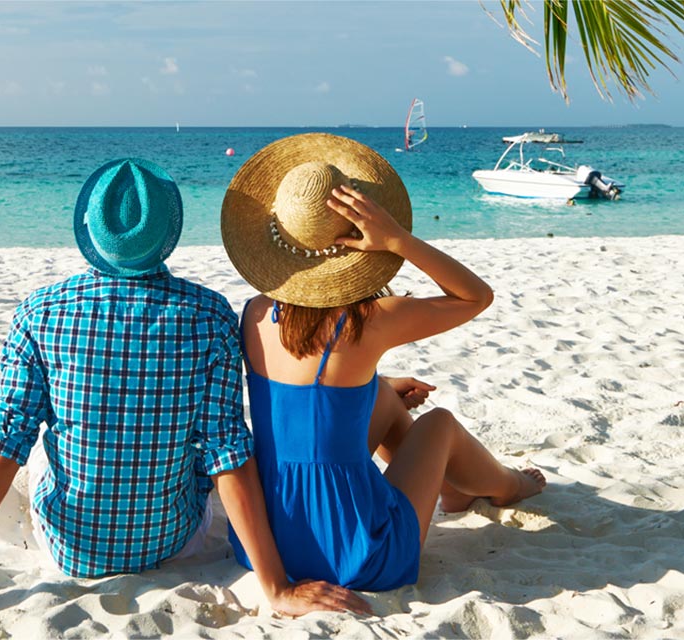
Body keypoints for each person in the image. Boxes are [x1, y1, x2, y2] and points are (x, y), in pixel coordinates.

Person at [0, 158, 370, 616]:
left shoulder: (41, 311)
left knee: (27, 442)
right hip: (172, 539)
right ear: (168, 233)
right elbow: (226, 454)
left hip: (71, 550)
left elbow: (0, 447)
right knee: (200, 438)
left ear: (91, 230)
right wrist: (275, 587)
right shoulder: (210, 314)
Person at [219, 134, 546, 590]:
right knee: (440, 424)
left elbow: (305, 396)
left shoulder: (256, 312)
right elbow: (476, 296)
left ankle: (450, 488)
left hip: (269, 541)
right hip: (358, 552)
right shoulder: (368, 319)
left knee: (382, 394)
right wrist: (398, 239)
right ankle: (509, 486)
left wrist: (377, 384)